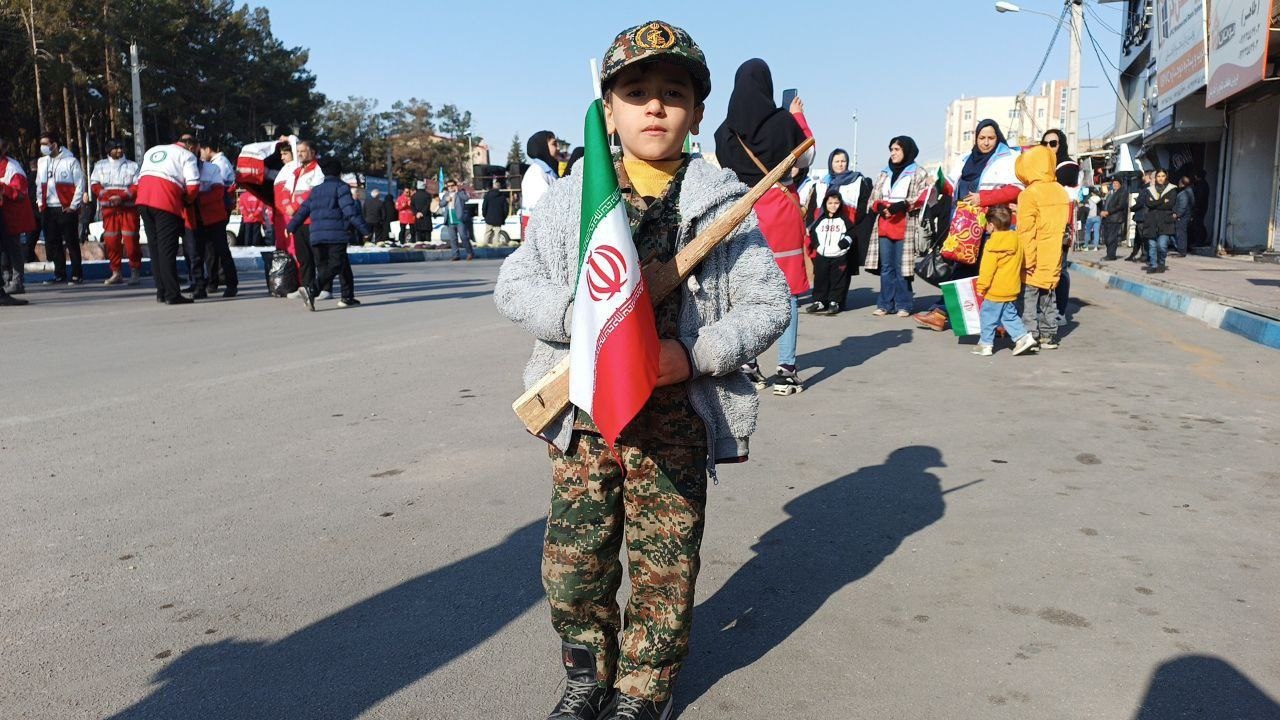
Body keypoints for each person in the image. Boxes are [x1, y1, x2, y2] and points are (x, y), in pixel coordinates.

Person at [494, 21, 790, 720]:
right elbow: (514, 283)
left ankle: (639, 692)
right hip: (586, 416)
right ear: (608, 111)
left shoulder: (723, 204)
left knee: (665, 567)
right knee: (574, 566)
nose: (654, 107)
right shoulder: (573, 199)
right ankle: (586, 675)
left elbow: (767, 302)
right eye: (636, 92)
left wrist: (691, 355)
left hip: (675, 418)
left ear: (697, 111)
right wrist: (577, 321)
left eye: (672, 93)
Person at [714, 57, 814, 396]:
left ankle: (748, 364)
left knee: (748, 293)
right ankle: (786, 370)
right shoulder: (782, 122)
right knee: (785, 295)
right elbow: (806, 158)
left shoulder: (723, 131)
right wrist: (797, 115)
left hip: (744, 214)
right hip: (779, 212)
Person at [914, 119, 1022, 331]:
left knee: (992, 274)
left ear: (998, 137)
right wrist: (938, 183)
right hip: (965, 227)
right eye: (982, 138)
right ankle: (941, 313)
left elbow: (1016, 189)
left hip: (994, 226)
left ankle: (1000, 323)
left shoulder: (1009, 158)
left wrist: (984, 198)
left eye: (991, 138)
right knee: (961, 270)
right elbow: (951, 186)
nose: (986, 142)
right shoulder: (966, 159)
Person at [288, 157, 369, 310]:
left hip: (317, 235)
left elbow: (303, 210)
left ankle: (347, 297)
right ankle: (312, 289)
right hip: (336, 234)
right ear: (339, 172)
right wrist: (365, 230)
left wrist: (291, 226)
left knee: (343, 264)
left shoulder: (316, 190)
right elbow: (350, 212)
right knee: (336, 264)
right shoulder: (341, 187)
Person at [865, 136, 929, 318]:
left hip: (905, 226)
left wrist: (901, 205)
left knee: (903, 267)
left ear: (907, 151)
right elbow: (872, 198)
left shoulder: (918, 172)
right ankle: (885, 303)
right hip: (884, 226)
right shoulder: (884, 173)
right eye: (891, 149)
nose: (893, 153)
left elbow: (922, 197)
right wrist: (878, 206)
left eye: (897, 149)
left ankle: (904, 303)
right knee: (886, 267)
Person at [1015, 145, 1069, 348]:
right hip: (1053, 255)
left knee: (1029, 297)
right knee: (1049, 295)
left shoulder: (1029, 194)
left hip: (1034, 255)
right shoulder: (1060, 192)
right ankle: (1049, 335)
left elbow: (1026, 231)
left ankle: (1030, 334)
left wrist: (1027, 258)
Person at [136, 135, 200, 304]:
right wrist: (187, 200)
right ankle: (172, 294)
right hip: (165, 201)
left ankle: (161, 291)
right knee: (167, 250)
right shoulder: (187, 156)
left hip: (143, 200)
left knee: (155, 249)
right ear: (192, 147)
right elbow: (193, 185)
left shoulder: (154, 150)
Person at [805, 148, 870, 309]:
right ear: (831, 163)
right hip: (824, 232)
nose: (840, 164)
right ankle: (820, 300)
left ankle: (837, 300)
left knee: (841, 270)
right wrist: (811, 227)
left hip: (844, 230)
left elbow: (863, 205)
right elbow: (814, 205)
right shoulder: (822, 182)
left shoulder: (857, 181)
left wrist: (851, 228)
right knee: (821, 270)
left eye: (843, 161)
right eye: (837, 161)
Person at [974, 205, 1037, 356]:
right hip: (1012, 287)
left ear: (991, 225)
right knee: (1009, 315)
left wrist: (981, 286)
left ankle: (985, 344)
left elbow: (987, 270)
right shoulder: (1017, 240)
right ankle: (1023, 337)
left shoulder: (992, 244)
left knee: (987, 316)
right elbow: (1022, 261)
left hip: (995, 289)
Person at [35, 131, 86, 284]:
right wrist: (39, 202)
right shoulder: (42, 162)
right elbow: (39, 183)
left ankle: (77, 274)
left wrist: (73, 205)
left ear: (54, 144)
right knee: (53, 242)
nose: (42, 147)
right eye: (41, 144)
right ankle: (60, 274)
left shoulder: (70, 161)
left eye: (45, 144)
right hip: (48, 208)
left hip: (65, 208)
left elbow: (80, 184)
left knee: (71, 242)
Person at [185, 149, 237, 298]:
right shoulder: (181, 170)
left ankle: (232, 285)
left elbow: (218, 192)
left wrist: (195, 199)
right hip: (195, 219)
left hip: (215, 217)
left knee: (222, 251)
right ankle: (201, 286)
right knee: (197, 254)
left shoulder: (212, 168)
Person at [89, 139, 142, 285]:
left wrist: (122, 197)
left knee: (131, 241)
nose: (119, 150)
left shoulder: (132, 166)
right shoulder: (100, 166)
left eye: (121, 147)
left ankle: (135, 272)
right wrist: (109, 197)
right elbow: (95, 184)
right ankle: (116, 272)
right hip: (109, 210)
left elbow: (137, 185)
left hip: (128, 210)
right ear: (108, 150)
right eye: (116, 148)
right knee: (111, 241)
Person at [807, 192, 856, 315]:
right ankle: (819, 301)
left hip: (839, 256)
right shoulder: (821, 220)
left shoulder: (844, 220)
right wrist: (817, 245)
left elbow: (851, 234)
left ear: (840, 204)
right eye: (830, 203)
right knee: (820, 279)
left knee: (837, 279)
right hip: (822, 255)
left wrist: (843, 244)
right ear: (825, 204)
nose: (833, 206)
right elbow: (813, 232)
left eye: (836, 203)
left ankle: (835, 302)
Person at [1, 136, 37, 297]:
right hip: (2, 216)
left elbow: (21, 194)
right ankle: (5, 278)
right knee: (3, 250)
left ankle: (17, 281)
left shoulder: (13, 168)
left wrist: (3, 188)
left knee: (13, 248)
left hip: (12, 216)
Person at [520, 130, 560, 233]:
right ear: (543, 147)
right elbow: (545, 205)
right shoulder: (536, 172)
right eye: (554, 144)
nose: (557, 148)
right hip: (539, 228)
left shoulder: (548, 171)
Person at [1140, 168, 1177, 274]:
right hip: (1151, 222)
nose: (1160, 178)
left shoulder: (1172, 189)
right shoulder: (1150, 189)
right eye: (1158, 176)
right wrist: (1162, 201)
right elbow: (1148, 204)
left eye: (1163, 176)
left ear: (1166, 177)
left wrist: (1156, 202)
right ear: (1155, 178)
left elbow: (1170, 204)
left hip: (1165, 222)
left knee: (1162, 245)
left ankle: (1161, 262)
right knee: (1152, 245)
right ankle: (1153, 265)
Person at [443, 178, 474, 260]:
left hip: (459, 218)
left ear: (455, 186)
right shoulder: (446, 195)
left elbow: (466, 198)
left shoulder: (460, 193)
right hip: (450, 218)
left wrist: (457, 191)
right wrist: (445, 201)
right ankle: (455, 255)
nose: (450, 187)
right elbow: (441, 204)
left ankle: (469, 253)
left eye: (452, 186)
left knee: (463, 236)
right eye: (448, 186)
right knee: (453, 238)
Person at [1126, 171, 1152, 262]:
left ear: (1147, 176)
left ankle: (1145, 255)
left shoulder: (1147, 188)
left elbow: (1141, 203)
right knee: (1138, 237)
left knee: (1143, 237)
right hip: (1140, 216)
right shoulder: (1143, 188)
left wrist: (1132, 208)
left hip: (1143, 216)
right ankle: (1133, 254)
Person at [1099, 177, 1127, 260]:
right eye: (1114, 183)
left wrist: (1108, 212)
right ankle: (1109, 254)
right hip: (1107, 218)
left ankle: (1111, 255)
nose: (1114, 184)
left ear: (1120, 184)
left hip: (1115, 218)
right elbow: (1106, 204)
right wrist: (1102, 211)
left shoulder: (1122, 192)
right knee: (1106, 237)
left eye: (1116, 183)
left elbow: (1120, 206)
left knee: (1112, 237)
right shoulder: (1111, 193)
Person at [480, 179, 509, 246]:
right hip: (499, 218)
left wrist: (485, 216)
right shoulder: (502, 197)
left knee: (487, 233)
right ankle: (496, 248)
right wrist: (503, 218)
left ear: (493, 187)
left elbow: (484, 207)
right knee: (497, 234)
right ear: (499, 187)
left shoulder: (487, 196)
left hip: (489, 218)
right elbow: (506, 209)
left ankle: (485, 247)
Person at [1173, 173, 1194, 257]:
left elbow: (1183, 206)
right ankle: (1182, 249)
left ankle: (1181, 251)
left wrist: (1177, 215)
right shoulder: (1190, 191)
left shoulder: (1184, 194)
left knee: (1181, 233)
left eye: (1179, 182)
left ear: (1182, 183)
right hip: (1187, 215)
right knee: (1183, 233)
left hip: (1182, 217)